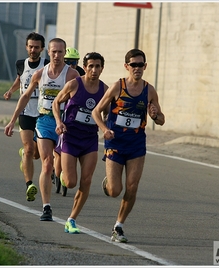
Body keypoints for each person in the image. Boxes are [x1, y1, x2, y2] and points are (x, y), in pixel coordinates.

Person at [91, 48, 165, 242]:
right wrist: (103, 129)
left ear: (145, 66)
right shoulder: (117, 87)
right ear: (127, 66)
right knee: (115, 190)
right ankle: (108, 182)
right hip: (115, 142)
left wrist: (155, 115)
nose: (137, 68)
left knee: (132, 186)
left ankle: (119, 226)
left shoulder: (149, 90)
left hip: (137, 145)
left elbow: (161, 120)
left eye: (141, 65)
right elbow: (96, 112)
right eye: (133, 65)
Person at [4, 38, 80, 221]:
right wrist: (12, 120)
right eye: (53, 52)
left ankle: (63, 179)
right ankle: (46, 208)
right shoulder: (40, 74)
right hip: (45, 120)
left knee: (69, 178)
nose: (56, 55)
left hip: (65, 123)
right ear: (49, 52)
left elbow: (82, 97)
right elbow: (25, 96)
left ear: (64, 53)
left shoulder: (72, 75)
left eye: (60, 52)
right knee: (46, 162)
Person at [52, 52, 108, 234]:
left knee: (86, 180)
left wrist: (106, 125)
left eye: (97, 66)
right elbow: (55, 102)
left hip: (90, 139)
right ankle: (61, 174)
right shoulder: (74, 84)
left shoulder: (105, 90)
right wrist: (59, 122)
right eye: (90, 66)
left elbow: (108, 111)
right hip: (70, 137)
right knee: (70, 182)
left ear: (102, 68)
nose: (94, 70)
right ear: (85, 67)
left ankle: (72, 219)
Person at [3, 32, 49, 203]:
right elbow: (19, 80)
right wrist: (11, 91)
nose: (33, 50)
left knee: (36, 153)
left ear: (42, 49)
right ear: (26, 47)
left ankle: (25, 155)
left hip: (43, 113)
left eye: (36, 47)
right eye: (30, 46)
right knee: (30, 149)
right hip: (26, 112)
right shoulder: (21, 64)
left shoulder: (47, 64)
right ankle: (29, 184)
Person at [53, 46, 85, 196]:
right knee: (55, 151)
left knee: (61, 149)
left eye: (75, 62)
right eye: (69, 62)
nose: (72, 65)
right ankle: (56, 170)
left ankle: (62, 172)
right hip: (53, 112)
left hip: (69, 116)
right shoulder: (58, 72)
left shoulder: (81, 74)